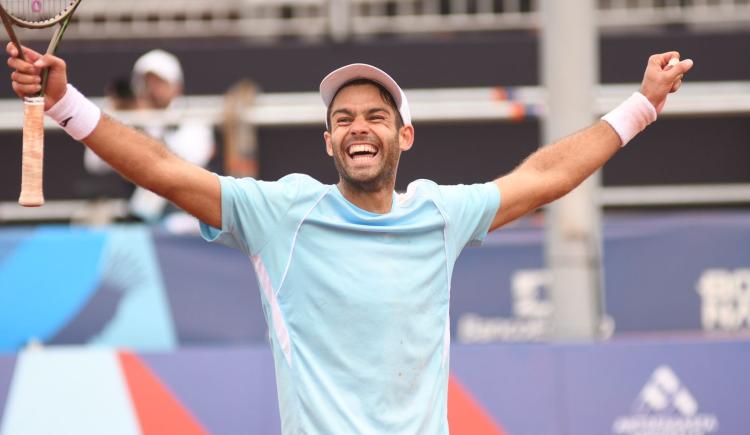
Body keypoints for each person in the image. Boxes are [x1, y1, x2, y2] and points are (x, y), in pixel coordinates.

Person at [6, 43, 693, 434]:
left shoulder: (440, 214)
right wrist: (67, 105)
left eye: (375, 115)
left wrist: (640, 106)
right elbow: (162, 168)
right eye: (344, 118)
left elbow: (544, 176)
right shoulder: (283, 213)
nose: (360, 126)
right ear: (328, 139)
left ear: (405, 135)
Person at [84, 49, 215, 228]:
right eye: (147, 82)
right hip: (137, 221)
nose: (152, 89)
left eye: (160, 82)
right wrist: (114, 121)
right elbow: (94, 163)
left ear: (176, 86)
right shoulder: (130, 119)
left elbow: (191, 159)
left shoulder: (192, 118)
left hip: (185, 213)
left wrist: (145, 130)